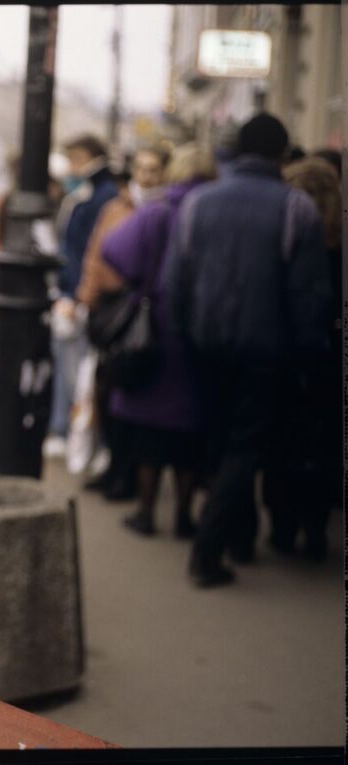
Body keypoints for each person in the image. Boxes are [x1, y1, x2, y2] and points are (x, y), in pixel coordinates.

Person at [167, 112, 332, 587]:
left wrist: (184, 334)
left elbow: (176, 280)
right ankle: (207, 553)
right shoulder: (296, 208)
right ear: (281, 154)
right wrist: (307, 355)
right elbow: (309, 294)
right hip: (266, 350)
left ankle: (237, 541)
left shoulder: (199, 202)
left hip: (205, 343)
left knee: (221, 443)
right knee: (244, 449)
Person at [98, 144, 216, 537]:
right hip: (200, 332)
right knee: (189, 430)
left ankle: (146, 512)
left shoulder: (157, 212)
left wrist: (141, 279)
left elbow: (113, 250)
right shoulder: (212, 212)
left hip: (154, 330)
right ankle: (184, 514)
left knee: (150, 431)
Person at [77, 146, 169, 498]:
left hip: (145, 311)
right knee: (104, 392)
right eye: (141, 168)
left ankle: (127, 474)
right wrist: (88, 297)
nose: (146, 176)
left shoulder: (163, 211)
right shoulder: (116, 208)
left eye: (154, 169)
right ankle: (113, 465)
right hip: (112, 309)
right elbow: (96, 253)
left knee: (133, 395)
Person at [262, 156, 342, 562]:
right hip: (328, 362)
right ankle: (313, 528)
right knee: (323, 443)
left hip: (285, 355)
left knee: (279, 441)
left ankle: (283, 527)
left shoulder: (285, 237)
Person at [45, 134, 118, 458]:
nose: (71, 165)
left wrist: (76, 295)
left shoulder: (101, 194)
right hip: (70, 291)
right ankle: (66, 430)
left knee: (80, 372)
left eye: (76, 157)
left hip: (81, 296)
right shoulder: (83, 192)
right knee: (68, 366)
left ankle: (86, 438)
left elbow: (90, 250)